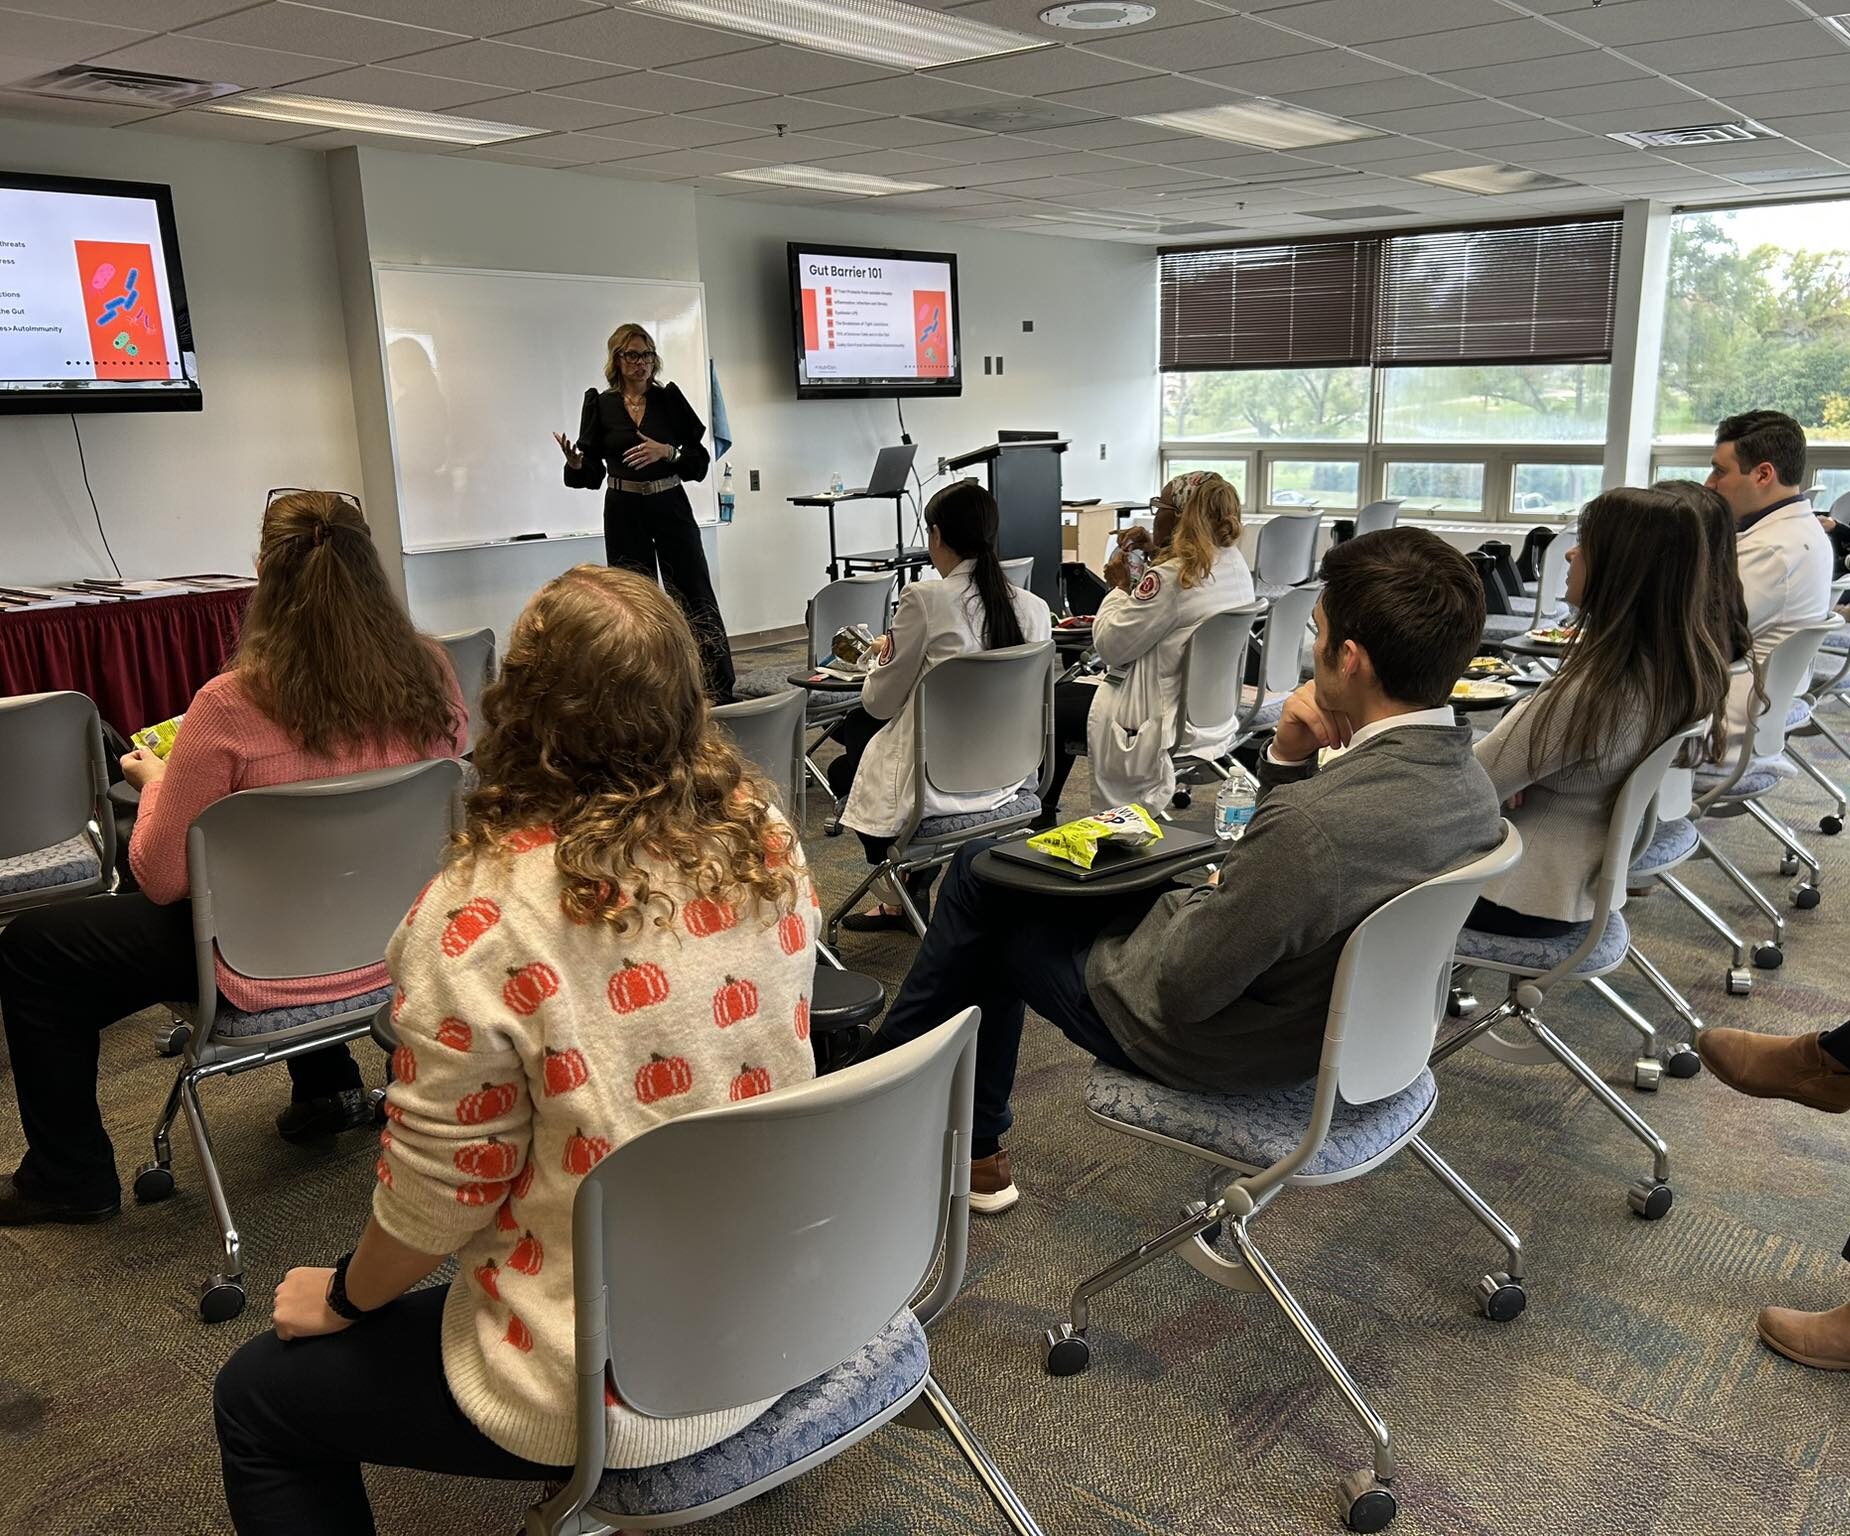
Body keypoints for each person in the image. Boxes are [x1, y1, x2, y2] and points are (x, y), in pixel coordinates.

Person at [212, 566, 817, 1534]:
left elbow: (442, 1195)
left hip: (613, 1372)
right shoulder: (762, 836)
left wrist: (344, 1298)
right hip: (791, 1299)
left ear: (520, 705)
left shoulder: (481, 914)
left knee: (257, 1399)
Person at [861, 528, 1501, 1212]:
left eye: (1316, 637)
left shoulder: (1317, 827)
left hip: (1209, 1040)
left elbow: (1184, 986)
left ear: (1350, 660)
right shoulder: (1471, 788)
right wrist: (1283, 764)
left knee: (983, 879)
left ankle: (888, 1098)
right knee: (1032, 874)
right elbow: (1290, 881)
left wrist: (1198, 896)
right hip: (1323, 1029)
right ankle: (956, 1139)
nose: (1309, 654)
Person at [0, 492, 465, 1226]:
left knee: (33, 950)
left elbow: (158, 878)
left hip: (265, 961)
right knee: (309, 862)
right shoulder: (434, 674)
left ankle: (68, 1175)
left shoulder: (228, 707)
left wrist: (154, 786)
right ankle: (327, 1089)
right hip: (395, 946)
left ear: (262, 578)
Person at [1465, 488, 1732, 937]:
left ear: (1623, 570)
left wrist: (1502, 772)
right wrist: (1515, 772)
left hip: (1512, 891)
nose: (1570, 552)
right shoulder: (1673, 667)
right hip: (1568, 882)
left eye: (1585, 544)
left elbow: (1471, 787)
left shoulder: (1596, 693)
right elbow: (1500, 772)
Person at [826, 480, 1053, 932]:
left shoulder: (924, 599)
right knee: (861, 750)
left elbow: (879, 701)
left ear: (935, 535)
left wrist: (882, 661)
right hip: (1011, 776)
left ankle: (901, 890)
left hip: (938, 784)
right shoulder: (1034, 608)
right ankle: (908, 891)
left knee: (851, 746)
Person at [1039, 471, 1254, 824]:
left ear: (1181, 516)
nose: (1155, 514)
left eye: (1160, 506)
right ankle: (1043, 815)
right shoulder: (1233, 565)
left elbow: (1110, 647)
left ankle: (1042, 816)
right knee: (1066, 697)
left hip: (1155, 717)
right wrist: (1157, 551)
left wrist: (1121, 588)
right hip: (1209, 714)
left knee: (1050, 704)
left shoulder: (1169, 578)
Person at [554, 322, 735, 703]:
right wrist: (575, 463)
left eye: (647, 354)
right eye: (632, 355)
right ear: (616, 360)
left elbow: (699, 462)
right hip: (623, 509)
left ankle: (716, 687)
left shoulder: (669, 400)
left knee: (693, 593)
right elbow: (591, 474)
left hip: (669, 504)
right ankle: (642, 690)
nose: (641, 363)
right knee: (632, 602)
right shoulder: (600, 404)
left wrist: (668, 452)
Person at [1705, 411, 1833, 758]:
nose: (1709, 483)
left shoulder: (1771, 550)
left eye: (1720, 470)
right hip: (1748, 704)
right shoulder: (1801, 531)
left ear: (1763, 474)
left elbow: (1697, 636)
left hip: (1717, 725)